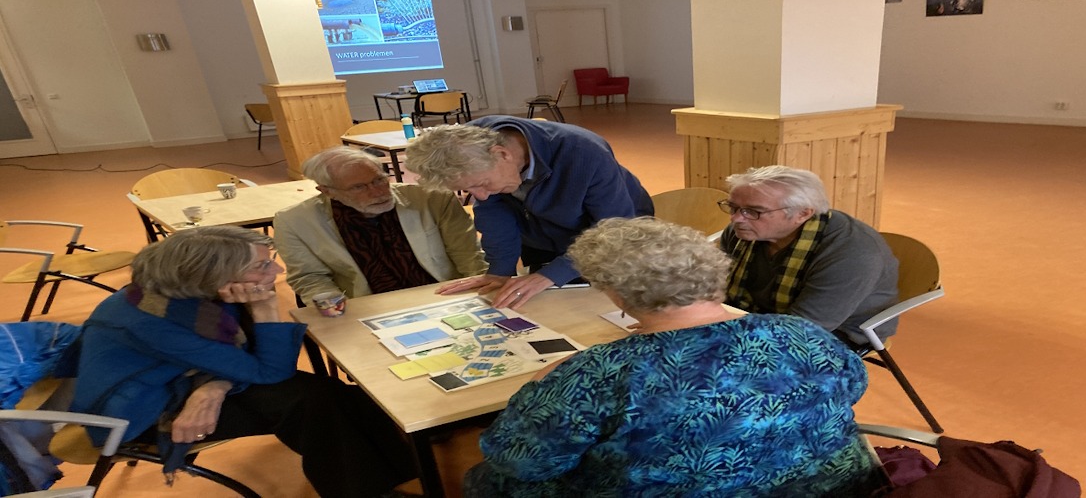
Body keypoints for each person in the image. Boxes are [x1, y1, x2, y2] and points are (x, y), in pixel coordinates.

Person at [464, 217, 877, 496]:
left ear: (619, 296)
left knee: (484, 480)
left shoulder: (598, 373)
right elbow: (855, 385)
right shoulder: (800, 331)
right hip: (832, 488)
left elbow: (520, 461)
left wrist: (539, 385)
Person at [70, 226, 417, 497]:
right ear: (211, 276)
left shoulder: (188, 292)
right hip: (144, 408)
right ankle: (364, 491)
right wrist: (265, 307)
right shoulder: (150, 320)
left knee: (327, 392)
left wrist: (215, 387)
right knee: (310, 399)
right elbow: (269, 369)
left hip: (186, 376)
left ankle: (401, 465)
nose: (277, 270)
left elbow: (243, 355)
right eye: (262, 266)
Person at [404, 116, 653, 309]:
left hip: (615, 237)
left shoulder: (583, 151)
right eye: (467, 190)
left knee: (599, 309)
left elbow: (614, 230)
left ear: (502, 155)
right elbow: (494, 213)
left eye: (480, 184)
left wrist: (552, 274)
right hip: (543, 234)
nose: (479, 196)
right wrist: (500, 270)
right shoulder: (468, 145)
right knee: (547, 309)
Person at [273, 146, 487, 303]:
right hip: (368, 307)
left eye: (379, 180)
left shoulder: (432, 199)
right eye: (359, 187)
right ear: (328, 191)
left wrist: (481, 294)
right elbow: (310, 277)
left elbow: (469, 256)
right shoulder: (295, 222)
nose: (377, 192)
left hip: (443, 296)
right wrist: (333, 305)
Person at [719, 165, 899, 351]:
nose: (736, 219)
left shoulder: (853, 253)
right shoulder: (741, 233)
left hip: (836, 333)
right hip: (760, 316)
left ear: (802, 214)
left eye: (753, 211)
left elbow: (803, 330)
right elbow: (717, 291)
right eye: (733, 208)